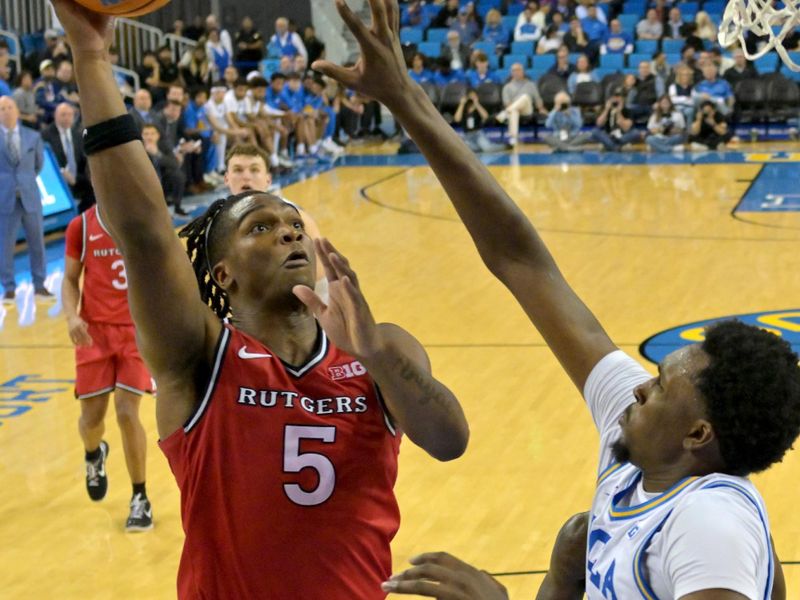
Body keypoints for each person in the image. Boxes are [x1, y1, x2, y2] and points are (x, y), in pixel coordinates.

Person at [306, 3, 800, 599]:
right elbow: (520, 260)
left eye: (661, 386)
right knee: (572, 543)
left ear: (698, 435)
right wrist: (406, 100)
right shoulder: (641, 454)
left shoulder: (708, 526)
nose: (640, 385)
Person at [50, 4, 470, 600]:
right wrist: (91, 58)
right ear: (221, 275)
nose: (289, 232)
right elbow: (143, 232)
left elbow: (450, 440)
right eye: (261, 228)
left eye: (293, 223)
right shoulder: (199, 358)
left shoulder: (383, 350)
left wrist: (374, 352)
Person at [61, 203, 155, 531]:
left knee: (128, 412)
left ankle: (140, 497)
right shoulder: (81, 226)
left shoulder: (143, 218)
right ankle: (94, 454)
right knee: (91, 420)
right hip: (94, 333)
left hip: (135, 332)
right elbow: (71, 279)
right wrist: (72, 316)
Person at [0, 95, 51, 301]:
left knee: (37, 242)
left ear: (18, 111)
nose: (6, 111)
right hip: (4, 199)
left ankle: (40, 285)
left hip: (30, 197)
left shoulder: (33, 136)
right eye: (2, 108)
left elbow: (38, 165)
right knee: (4, 245)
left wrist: (24, 181)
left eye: (9, 107)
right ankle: (8, 287)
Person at [42, 102, 94, 212]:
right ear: (55, 116)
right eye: (63, 115)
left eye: (70, 115)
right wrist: (62, 173)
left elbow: (85, 163)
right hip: (58, 182)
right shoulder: (45, 135)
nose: (67, 118)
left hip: (79, 182)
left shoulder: (79, 135)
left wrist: (75, 178)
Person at [496, 62, 547, 147]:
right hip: (513, 110)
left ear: (523, 72)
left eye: (518, 70)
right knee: (514, 111)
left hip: (527, 110)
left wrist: (541, 109)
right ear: (511, 73)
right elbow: (507, 104)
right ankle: (513, 138)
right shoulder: (507, 87)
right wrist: (514, 107)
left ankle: (503, 114)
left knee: (525, 97)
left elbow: (538, 100)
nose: (516, 72)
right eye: (514, 70)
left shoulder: (531, 84)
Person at [591, 86, 642, 150]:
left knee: (635, 133)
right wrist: (606, 109)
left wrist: (618, 112)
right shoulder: (606, 109)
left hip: (622, 136)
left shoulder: (628, 111)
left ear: (623, 98)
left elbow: (626, 128)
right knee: (594, 131)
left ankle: (611, 145)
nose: (616, 99)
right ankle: (615, 146)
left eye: (618, 97)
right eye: (614, 97)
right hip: (609, 136)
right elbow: (599, 124)